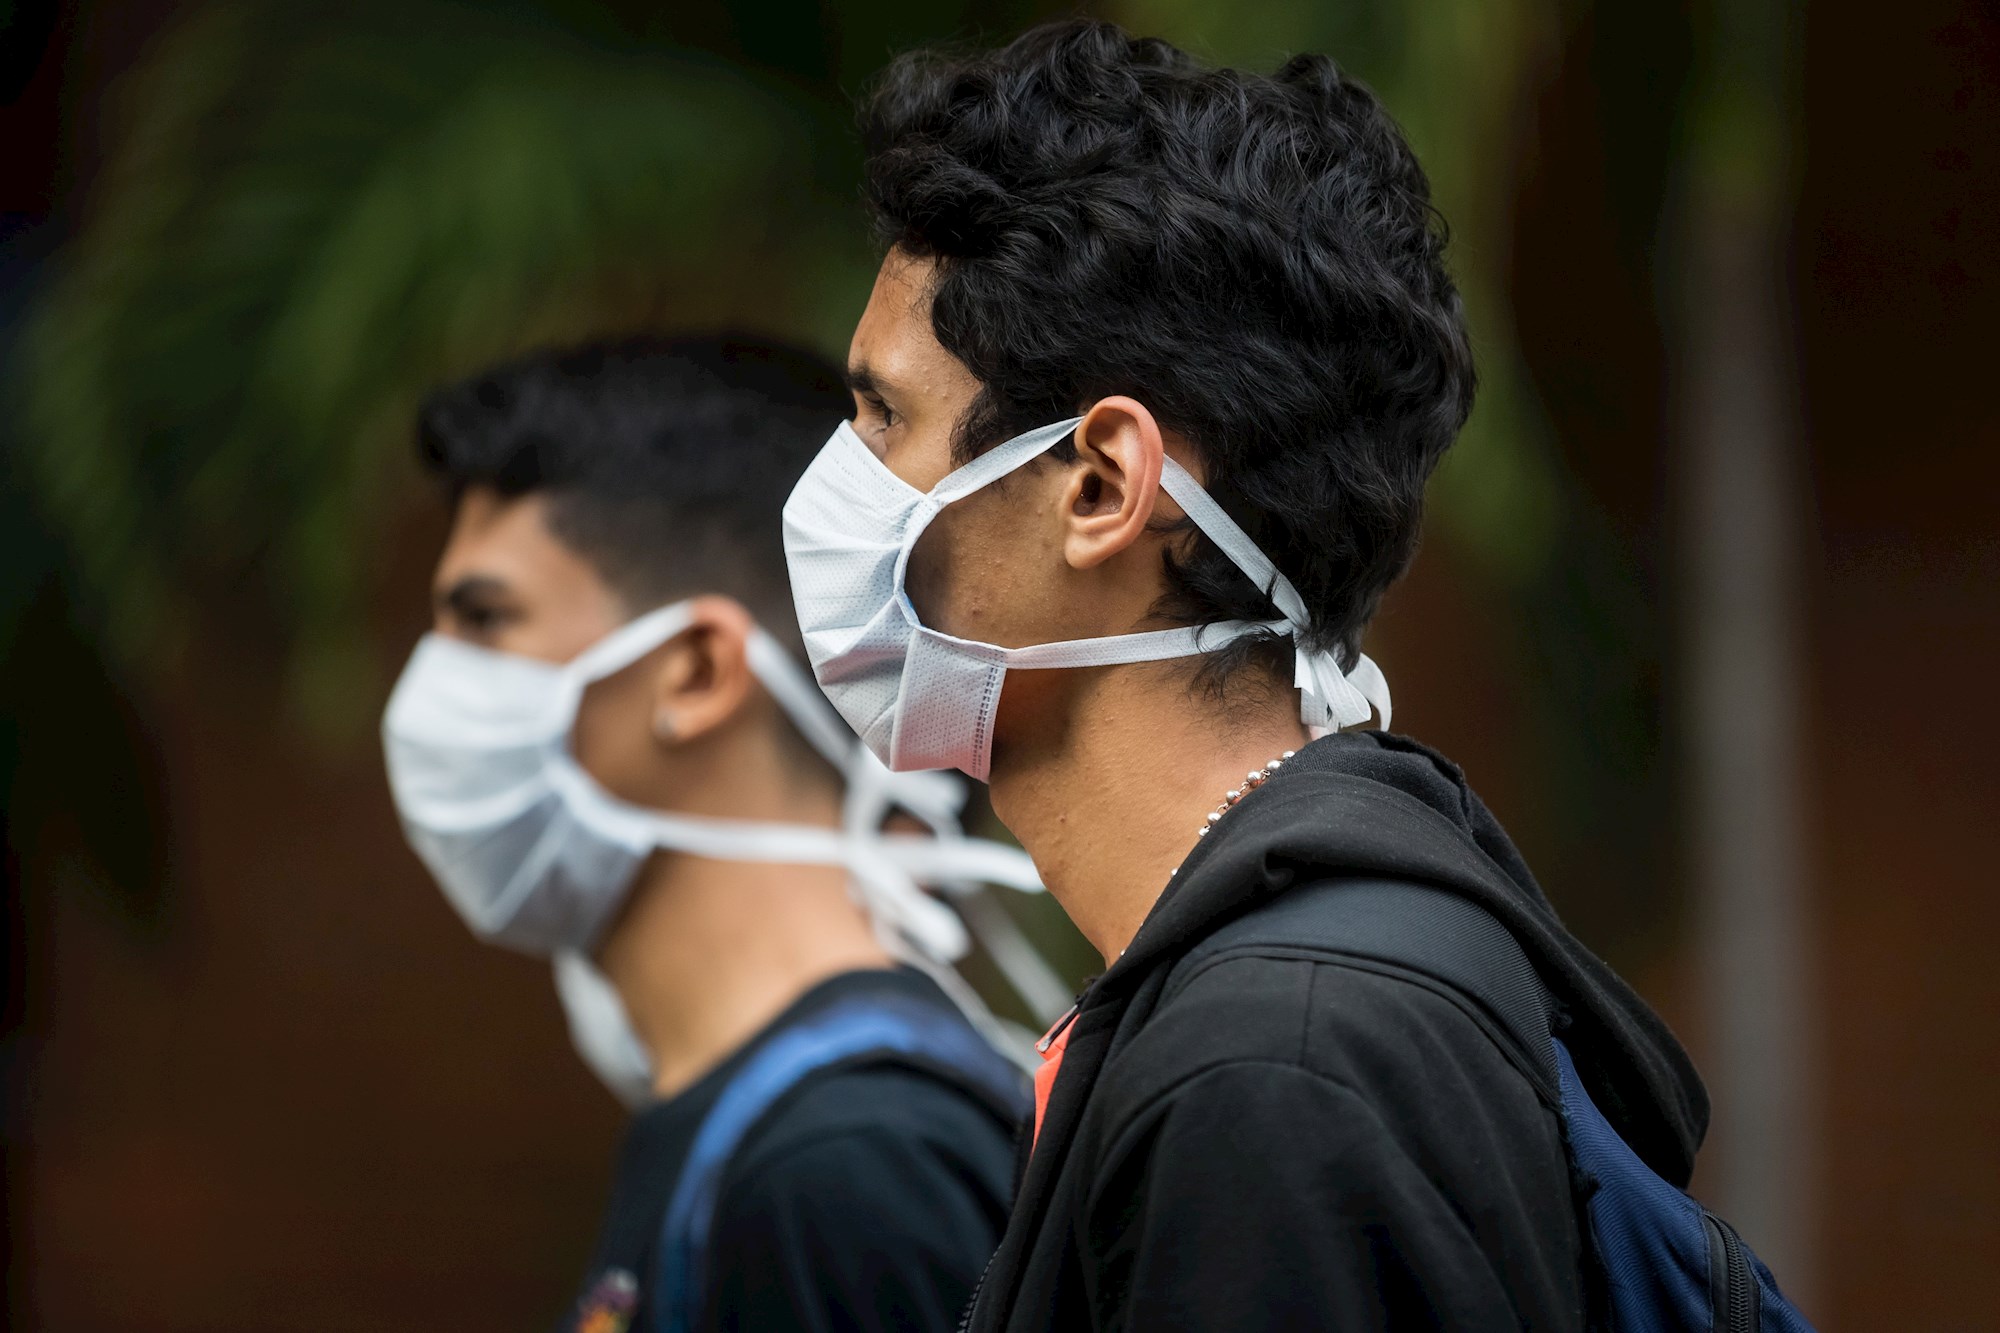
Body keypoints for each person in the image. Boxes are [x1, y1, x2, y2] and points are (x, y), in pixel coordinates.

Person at [781, 20, 1714, 1331]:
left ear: (1102, 485)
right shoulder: (1312, 971)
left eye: (884, 414)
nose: (836, 480)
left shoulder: (1275, 1073)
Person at [382, 335, 1057, 1333]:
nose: (429, 685)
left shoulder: (843, 1165)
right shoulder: (764, 1130)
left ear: (695, 670)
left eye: (485, 619)